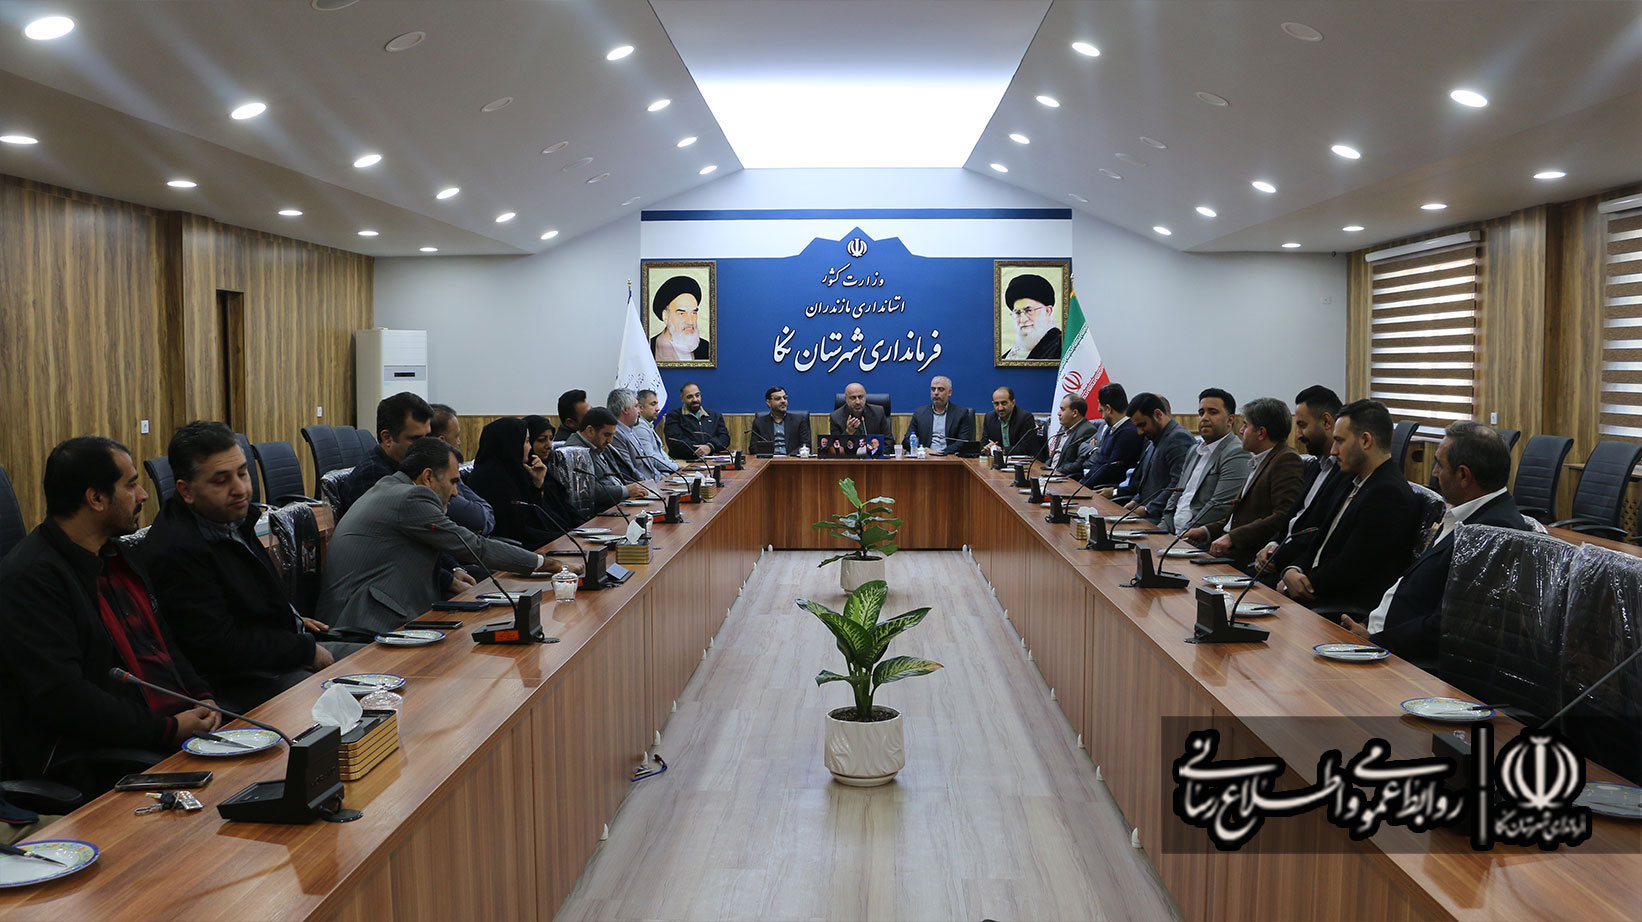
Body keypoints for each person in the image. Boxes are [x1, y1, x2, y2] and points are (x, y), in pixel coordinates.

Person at [0, 437, 220, 786]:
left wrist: (201, 695)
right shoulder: (31, 579)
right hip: (106, 758)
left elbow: (163, 645)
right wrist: (168, 729)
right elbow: (67, 700)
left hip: (173, 731)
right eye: (131, 485)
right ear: (96, 499)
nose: (143, 495)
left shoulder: (120, 557)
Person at [143, 422, 347, 712]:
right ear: (186, 491)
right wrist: (305, 650)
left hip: (277, 651)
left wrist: (289, 618)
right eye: (221, 481)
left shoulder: (231, 519)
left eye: (242, 473)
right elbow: (221, 647)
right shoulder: (176, 550)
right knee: (340, 703)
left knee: (380, 660)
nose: (240, 489)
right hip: (242, 682)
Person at [1343, 422, 1527, 667]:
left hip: (1402, 662)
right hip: (1380, 641)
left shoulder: (1492, 531)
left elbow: (1448, 623)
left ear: (1463, 475)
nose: (1434, 473)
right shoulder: (1467, 513)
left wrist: (1376, 641)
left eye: (1439, 464)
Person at [320, 439, 545, 636]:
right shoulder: (411, 497)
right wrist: (542, 563)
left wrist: (451, 575)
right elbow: (474, 546)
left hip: (372, 609)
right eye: (453, 482)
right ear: (428, 476)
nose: (455, 493)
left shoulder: (392, 487)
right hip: (362, 622)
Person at [1271, 399, 1423, 613]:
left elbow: (1350, 568)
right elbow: (1320, 539)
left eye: (1339, 441)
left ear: (1365, 440)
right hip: (1313, 591)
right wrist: (1293, 569)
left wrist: (1297, 582)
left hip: (1337, 607)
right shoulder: (1351, 480)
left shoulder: (1389, 494)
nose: (1333, 451)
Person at [1183, 397, 1306, 568]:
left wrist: (1233, 537)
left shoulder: (1286, 460)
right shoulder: (1261, 460)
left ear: (1261, 433)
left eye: (1245, 426)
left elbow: (1283, 516)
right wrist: (1205, 531)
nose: (1240, 431)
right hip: (1228, 551)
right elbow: (1236, 519)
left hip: (1249, 557)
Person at [1253, 386, 1349, 574]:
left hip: (1295, 570)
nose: (1297, 435)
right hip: (1276, 560)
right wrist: (1272, 544)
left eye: (1302, 425)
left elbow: (1318, 533)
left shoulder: (1345, 475)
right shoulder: (1314, 466)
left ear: (1326, 422)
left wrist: (1278, 557)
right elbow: (1292, 521)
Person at [466, 417, 588, 549]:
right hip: (512, 551)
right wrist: (563, 538)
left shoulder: (512, 472)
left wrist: (538, 485)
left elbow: (534, 518)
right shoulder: (492, 479)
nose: (529, 448)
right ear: (511, 443)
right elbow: (517, 531)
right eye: (526, 441)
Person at [1160, 388, 1254, 535]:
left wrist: (1179, 536)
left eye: (1213, 412)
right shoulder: (1194, 450)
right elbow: (1176, 495)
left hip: (1198, 539)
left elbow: (1218, 507)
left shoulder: (1237, 453)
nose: (1204, 418)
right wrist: (1162, 530)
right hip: (1173, 534)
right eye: (1201, 413)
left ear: (1230, 420)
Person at [337, 391, 433, 517]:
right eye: (415, 439)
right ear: (387, 438)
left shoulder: (406, 466)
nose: (426, 446)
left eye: (428, 437)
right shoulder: (372, 475)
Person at [1111, 392, 1195, 519]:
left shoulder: (1179, 438)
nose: (1139, 432)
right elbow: (1148, 484)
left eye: (1142, 425)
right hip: (1146, 514)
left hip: (1162, 518)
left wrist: (1147, 509)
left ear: (1158, 414)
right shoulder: (1154, 439)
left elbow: (1177, 485)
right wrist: (1136, 501)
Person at [430, 403, 495, 536]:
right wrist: (483, 522)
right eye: (457, 436)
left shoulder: (453, 472)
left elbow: (485, 511)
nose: (459, 442)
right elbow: (479, 519)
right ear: (442, 441)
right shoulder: (437, 479)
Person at [565, 407, 650, 500]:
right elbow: (586, 490)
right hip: (605, 507)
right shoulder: (574, 451)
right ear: (590, 431)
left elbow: (614, 480)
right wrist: (626, 490)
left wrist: (637, 486)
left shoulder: (600, 445)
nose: (610, 440)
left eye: (612, 435)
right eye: (607, 435)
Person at [1080, 383, 1145, 488]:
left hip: (1107, 490)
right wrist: (1081, 484)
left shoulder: (1128, 433)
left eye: (1101, 409)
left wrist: (1084, 487)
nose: (1098, 409)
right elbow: (1099, 463)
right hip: (1093, 487)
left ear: (1108, 409)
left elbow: (1110, 471)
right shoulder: (1110, 430)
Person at [608, 388, 673, 479]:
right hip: (644, 485)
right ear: (625, 410)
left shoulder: (630, 429)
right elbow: (630, 471)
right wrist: (654, 482)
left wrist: (660, 476)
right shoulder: (617, 434)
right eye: (636, 406)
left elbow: (648, 464)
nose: (639, 410)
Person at [902, 375, 975, 455]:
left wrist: (942, 453)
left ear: (949, 392)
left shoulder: (960, 413)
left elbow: (964, 441)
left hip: (950, 456)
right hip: (926, 456)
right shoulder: (920, 413)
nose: (936, 393)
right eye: (933, 389)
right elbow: (906, 441)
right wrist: (923, 449)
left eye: (941, 389)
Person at [1000, 273, 1062, 361]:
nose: (1023, 319)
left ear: (1048, 311)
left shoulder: (1061, 345)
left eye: (1029, 310)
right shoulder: (1009, 355)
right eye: (1017, 312)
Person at [650, 275, 711, 361]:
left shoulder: (706, 348)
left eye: (694, 313)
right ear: (665, 316)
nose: (690, 322)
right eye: (681, 313)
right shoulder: (649, 348)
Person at [663, 382, 730, 458]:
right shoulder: (673, 416)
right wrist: (700, 450)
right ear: (682, 398)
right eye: (690, 397)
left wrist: (709, 447)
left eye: (697, 395)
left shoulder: (715, 416)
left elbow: (724, 438)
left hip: (711, 459)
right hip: (683, 461)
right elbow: (674, 441)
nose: (695, 399)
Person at [1039, 394, 1101, 477]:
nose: (1058, 413)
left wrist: (1055, 471)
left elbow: (1079, 464)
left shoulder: (1088, 431)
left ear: (1074, 413)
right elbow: (1054, 457)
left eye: (1062, 410)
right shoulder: (1064, 427)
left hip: (1065, 477)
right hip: (1051, 474)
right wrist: (1042, 468)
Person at [980, 386, 1045, 458]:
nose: (1000, 408)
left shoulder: (1025, 418)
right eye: (996, 404)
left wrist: (1002, 450)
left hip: (1027, 461)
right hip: (1000, 460)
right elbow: (984, 443)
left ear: (1013, 403)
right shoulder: (989, 418)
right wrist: (988, 447)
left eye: (1004, 403)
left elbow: (1026, 448)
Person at [749, 385, 811, 456]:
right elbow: (753, 448)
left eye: (785, 398)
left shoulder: (799, 420)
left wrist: (788, 458)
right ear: (768, 402)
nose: (783, 401)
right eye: (778, 398)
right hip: (769, 460)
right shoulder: (759, 423)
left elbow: (806, 445)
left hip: (792, 460)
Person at [629, 389, 678, 476]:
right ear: (640, 408)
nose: (658, 409)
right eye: (653, 404)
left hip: (667, 470)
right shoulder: (640, 426)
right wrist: (675, 466)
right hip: (661, 475)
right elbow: (651, 459)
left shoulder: (647, 425)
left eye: (657, 404)